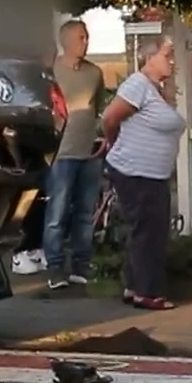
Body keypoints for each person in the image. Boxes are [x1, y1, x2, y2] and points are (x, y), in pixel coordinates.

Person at [100, 34, 185, 310]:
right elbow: (110, 117)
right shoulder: (137, 84)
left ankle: (135, 287)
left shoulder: (156, 89)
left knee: (146, 230)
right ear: (149, 58)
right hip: (136, 171)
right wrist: (114, 143)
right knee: (150, 231)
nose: (171, 61)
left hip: (151, 173)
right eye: (166, 55)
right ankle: (147, 292)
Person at [42, 20, 110, 291]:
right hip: (61, 152)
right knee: (57, 211)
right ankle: (55, 268)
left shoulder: (94, 73)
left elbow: (100, 106)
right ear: (66, 41)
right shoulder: (51, 72)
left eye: (87, 37)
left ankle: (81, 265)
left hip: (89, 151)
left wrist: (101, 134)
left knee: (85, 211)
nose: (86, 42)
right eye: (81, 37)